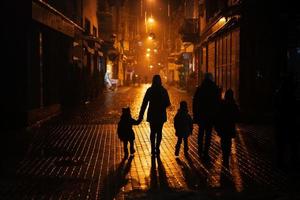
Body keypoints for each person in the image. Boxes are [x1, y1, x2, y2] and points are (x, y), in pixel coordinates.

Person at [138, 75, 171, 156]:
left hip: (152, 113)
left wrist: (141, 115)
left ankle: (153, 148)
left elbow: (144, 103)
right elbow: (168, 103)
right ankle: (157, 148)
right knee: (159, 132)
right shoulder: (163, 90)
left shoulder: (150, 90)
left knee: (152, 132)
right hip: (161, 114)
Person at [192, 72, 219, 160]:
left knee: (201, 132)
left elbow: (195, 102)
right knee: (208, 134)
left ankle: (200, 150)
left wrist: (195, 115)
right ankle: (206, 152)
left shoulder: (200, 88)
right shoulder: (214, 88)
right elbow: (217, 103)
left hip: (201, 115)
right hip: (210, 116)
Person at [215, 89, 240, 167]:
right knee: (228, 142)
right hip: (230, 127)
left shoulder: (222, 104)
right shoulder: (234, 104)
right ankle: (227, 155)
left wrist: (217, 125)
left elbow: (218, 115)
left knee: (223, 141)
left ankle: (224, 155)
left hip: (223, 127)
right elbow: (237, 116)